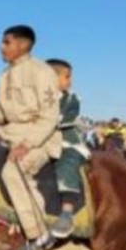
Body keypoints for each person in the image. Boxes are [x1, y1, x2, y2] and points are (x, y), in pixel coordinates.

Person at [0, 25, 62, 250]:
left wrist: (28, 144)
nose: (1, 47)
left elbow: (50, 115)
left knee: (13, 171)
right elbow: (1, 114)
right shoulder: (3, 76)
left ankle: (38, 235)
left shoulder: (41, 71)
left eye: (6, 42)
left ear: (22, 45)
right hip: (9, 134)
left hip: (39, 137)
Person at [47, 59, 85, 238]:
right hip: (42, 142)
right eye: (67, 77)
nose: (70, 81)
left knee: (66, 164)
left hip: (66, 142)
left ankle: (67, 212)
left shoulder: (71, 98)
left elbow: (59, 121)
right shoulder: (39, 99)